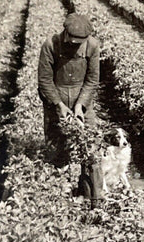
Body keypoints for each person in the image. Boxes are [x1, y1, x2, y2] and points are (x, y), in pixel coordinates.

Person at [38, 13, 100, 166]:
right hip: (56, 96)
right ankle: (58, 182)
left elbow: (92, 80)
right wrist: (59, 105)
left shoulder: (92, 46)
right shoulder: (51, 45)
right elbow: (45, 80)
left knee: (89, 145)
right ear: (65, 33)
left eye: (78, 43)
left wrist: (80, 105)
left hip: (82, 96)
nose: (73, 45)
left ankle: (89, 187)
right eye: (71, 41)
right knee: (55, 146)